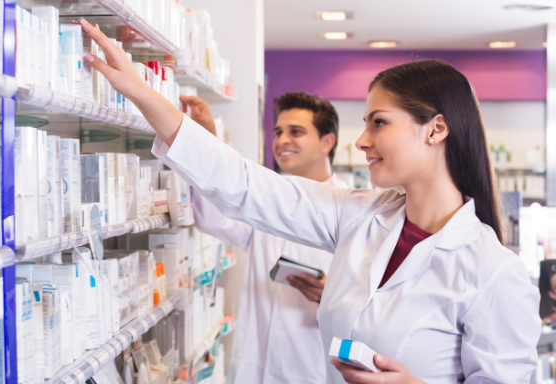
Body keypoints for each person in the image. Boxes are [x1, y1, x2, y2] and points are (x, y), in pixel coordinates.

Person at [76, 19, 541, 384]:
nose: (361, 140)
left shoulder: (493, 272)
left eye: (379, 122)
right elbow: (244, 184)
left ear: (436, 129)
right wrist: (139, 90)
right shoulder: (358, 215)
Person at [180, 92, 345, 384]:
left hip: (311, 369)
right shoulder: (269, 197)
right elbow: (212, 218)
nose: (282, 140)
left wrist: (337, 298)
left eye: (296, 132)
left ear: (327, 142)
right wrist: (207, 142)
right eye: (278, 132)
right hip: (254, 366)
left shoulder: (350, 212)